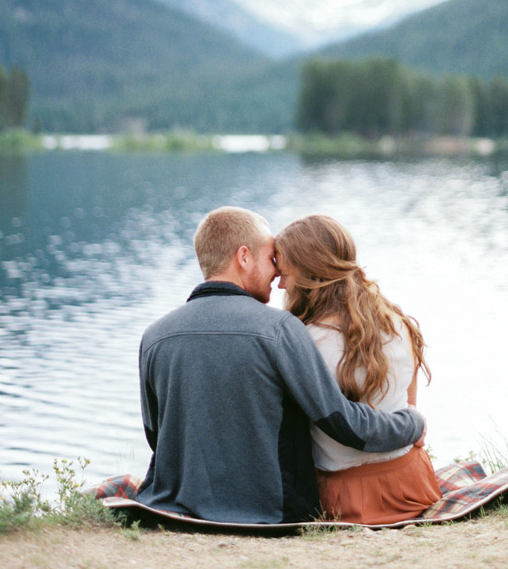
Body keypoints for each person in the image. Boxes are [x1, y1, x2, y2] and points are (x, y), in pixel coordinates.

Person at [135, 206, 426, 524]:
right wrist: (414, 423)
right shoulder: (281, 329)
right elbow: (341, 422)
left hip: (176, 502)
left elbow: (156, 436)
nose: (277, 274)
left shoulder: (153, 337)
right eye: (270, 259)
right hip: (272, 508)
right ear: (244, 257)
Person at [274, 214, 441, 524]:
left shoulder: (307, 340)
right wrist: (414, 420)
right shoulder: (397, 321)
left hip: (345, 497)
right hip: (414, 483)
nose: (280, 284)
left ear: (312, 274)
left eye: (284, 273)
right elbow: (410, 389)